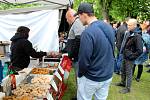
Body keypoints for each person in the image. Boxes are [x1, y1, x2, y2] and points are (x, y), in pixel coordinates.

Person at [75, 3, 115, 100]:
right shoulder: (109, 27)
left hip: (92, 77)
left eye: (79, 16)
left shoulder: (87, 33)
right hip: (107, 75)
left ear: (84, 15)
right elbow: (112, 49)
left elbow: (84, 59)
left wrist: (80, 75)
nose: (79, 19)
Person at [116, 19, 143, 94]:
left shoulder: (137, 36)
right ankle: (122, 82)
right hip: (124, 56)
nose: (128, 26)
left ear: (134, 26)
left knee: (129, 73)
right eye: (127, 24)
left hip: (130, 58)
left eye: (130, 25)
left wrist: (132, 56)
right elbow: (124, 43)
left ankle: (128, 88)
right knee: (123, 70)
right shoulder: (128, 33)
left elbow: (140, 50)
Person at [65, 8, 85, 99]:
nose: (66, 20)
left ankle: (79, 97)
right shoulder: (76, 22)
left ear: (70, 16)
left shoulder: (77, 22)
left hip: (77, 58)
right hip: (76, 57)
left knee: (79, 78)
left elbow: (79, 39)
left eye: (66, 18)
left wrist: (73, 54)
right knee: (78, 78)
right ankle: (79, 96)